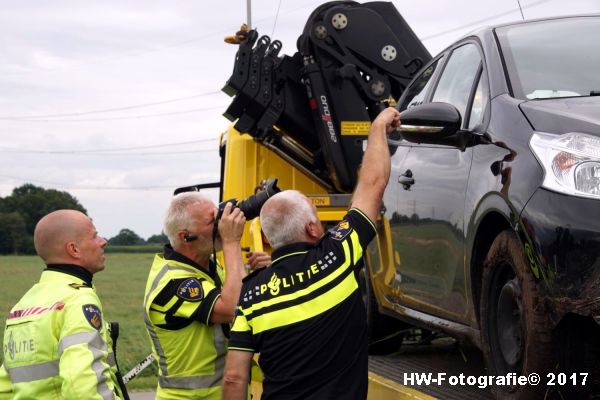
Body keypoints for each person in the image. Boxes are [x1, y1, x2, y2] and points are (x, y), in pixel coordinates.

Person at [222, 107, 401, 400]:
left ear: (267, 238)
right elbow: (372, 183)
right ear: (313, 229)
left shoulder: (251, 295)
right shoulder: (339, 256)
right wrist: (378, 126)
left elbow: (233, 377)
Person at [143, 193, 270, 399]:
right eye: (214, 221)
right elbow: (233, 308)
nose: (222, 225)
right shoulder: (174, 281)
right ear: (186, 236)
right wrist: (231, 241)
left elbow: (245, 302)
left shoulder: (209, 266)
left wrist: (261, 275)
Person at [0, 209, 123, 400]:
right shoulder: (77, 300)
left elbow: (5, 387)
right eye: (94, 235)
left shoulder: (21, 307)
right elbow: (81, 387)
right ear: (74, 249)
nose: (103, 241)